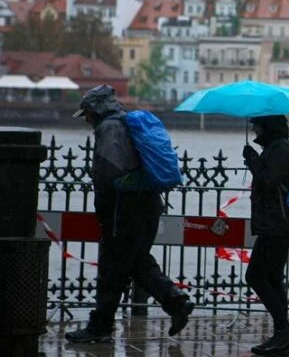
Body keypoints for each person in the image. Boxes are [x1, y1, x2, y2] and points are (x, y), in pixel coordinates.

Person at [65, 85, 194, 343]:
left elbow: (109, 173)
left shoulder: (109, 128)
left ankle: (101, 327)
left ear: (95, 109)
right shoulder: (125, 124)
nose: (87, 119)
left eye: (87, 113)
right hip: (146, 203)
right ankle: (175, 302)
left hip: (124, 207)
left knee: (113, 267)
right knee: (135, 261)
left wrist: (103, 208)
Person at [243, 115, 289, 355]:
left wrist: (253, 161)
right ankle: (281, 336)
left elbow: (269, 181)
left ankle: (284, 329)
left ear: (268, 127)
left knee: (255, 276)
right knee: (274, 278)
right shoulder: (274, 148)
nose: (255, 129)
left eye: (257, 125)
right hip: (275, 223)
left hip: (277, 224)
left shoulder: (280, 149)